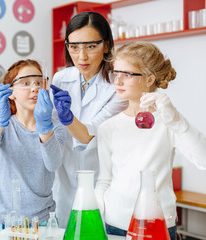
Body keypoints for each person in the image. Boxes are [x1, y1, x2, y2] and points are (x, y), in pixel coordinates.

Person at [95, 41, 206, 240]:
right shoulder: (108, 128)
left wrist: (176, 120)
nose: (117, 82)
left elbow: (203, 159)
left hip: (157, 223)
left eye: (126, 75)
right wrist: (96, 213)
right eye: (115, 73)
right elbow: (105, 180)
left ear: (149, 79)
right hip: (114, 225)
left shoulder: (169, 123)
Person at [50, 11, 128, 227]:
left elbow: (88, 134)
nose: (81, 56)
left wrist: (67, 117)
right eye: (74, 47)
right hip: (64, 179)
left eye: (90, 46)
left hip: (102, 180)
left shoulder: (118, 86)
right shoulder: (60, 78)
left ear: (105, 45)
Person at [0, 59, 66, 233]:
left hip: (43, 221)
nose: (35, 88)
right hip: (4, 221)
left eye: (39, 82)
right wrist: (0, 120)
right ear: (11, 92)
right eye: (26, 83)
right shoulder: (4, 125)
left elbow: (53, 164)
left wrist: (45, 126)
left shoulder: (55, 126)